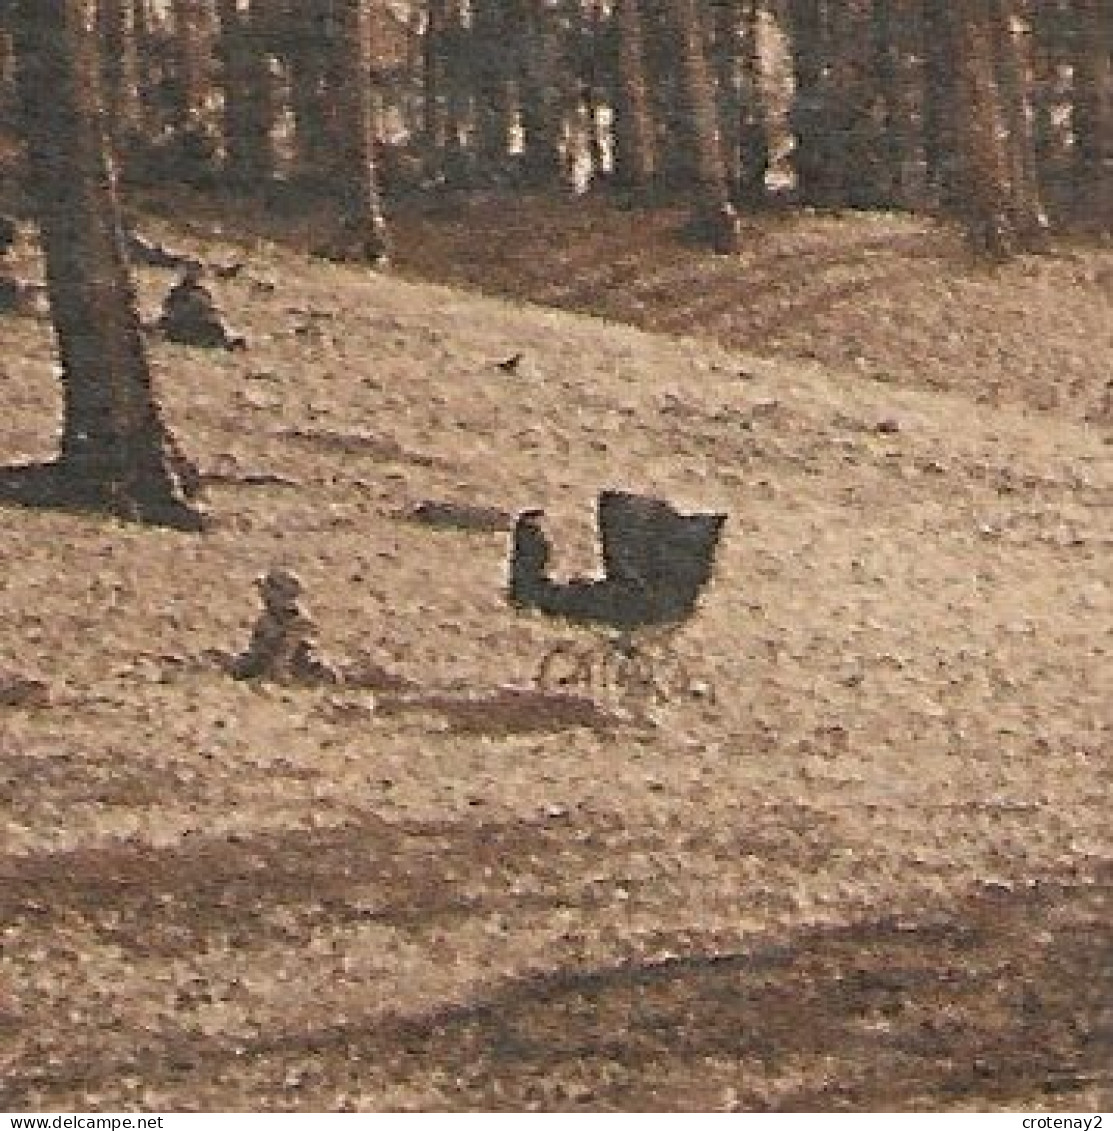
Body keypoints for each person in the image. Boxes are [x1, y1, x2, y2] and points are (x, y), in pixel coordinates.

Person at [157, 264, 245, 350]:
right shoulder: (195, 296)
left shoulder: (177, 297)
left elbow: (164, 315)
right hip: (190, 318)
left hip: (186, 319)